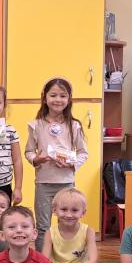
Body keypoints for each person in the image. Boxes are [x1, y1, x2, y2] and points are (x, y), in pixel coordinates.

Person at [24, 78, 88, 250]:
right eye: (53, 95)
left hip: (66, 183)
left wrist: (71, 163)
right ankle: (42, 260)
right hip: (43, 183)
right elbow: (28, 151)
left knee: (67, 224)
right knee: (43, 226)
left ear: (69, 99)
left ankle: (64, 258)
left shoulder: (74, 125)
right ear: (45, 98)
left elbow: (83, 153)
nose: (58, 99)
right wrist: (36, 159)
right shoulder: (36, 125)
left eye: (62, 96)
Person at [41, 187, 106, 263]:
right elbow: (45, 262)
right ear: (54, 210)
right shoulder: (50, 233)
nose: (69, 214)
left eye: (74, 210)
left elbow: (94, 260)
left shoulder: (88, 231)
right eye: (64, 209)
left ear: (83, 213)